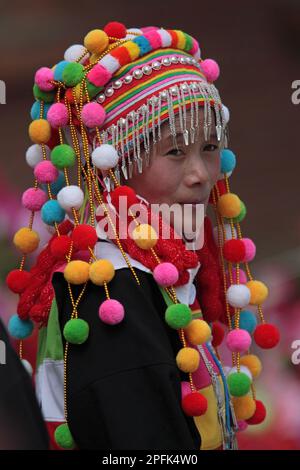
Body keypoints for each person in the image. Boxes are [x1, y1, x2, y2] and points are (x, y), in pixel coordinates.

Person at [6, 22, 280, 450]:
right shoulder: (110, 284)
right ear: (116, 160)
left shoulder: (172, 263)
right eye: (175, 151)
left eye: (209, 147)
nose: (200, 175)